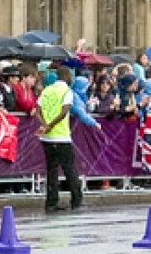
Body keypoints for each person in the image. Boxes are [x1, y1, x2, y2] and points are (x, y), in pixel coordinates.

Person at [36, 65, 102, 212]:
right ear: (65, 76)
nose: (72, 78)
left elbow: (37, 111)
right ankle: (76, 200)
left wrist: (44, 125)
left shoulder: (46, 90)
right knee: (70, 169)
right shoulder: (67, 91)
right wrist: (51, 125)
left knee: (51, 170)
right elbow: (64, 110)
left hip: (46, 138)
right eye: (70, 76)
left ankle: (51, 202)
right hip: (61, 136)